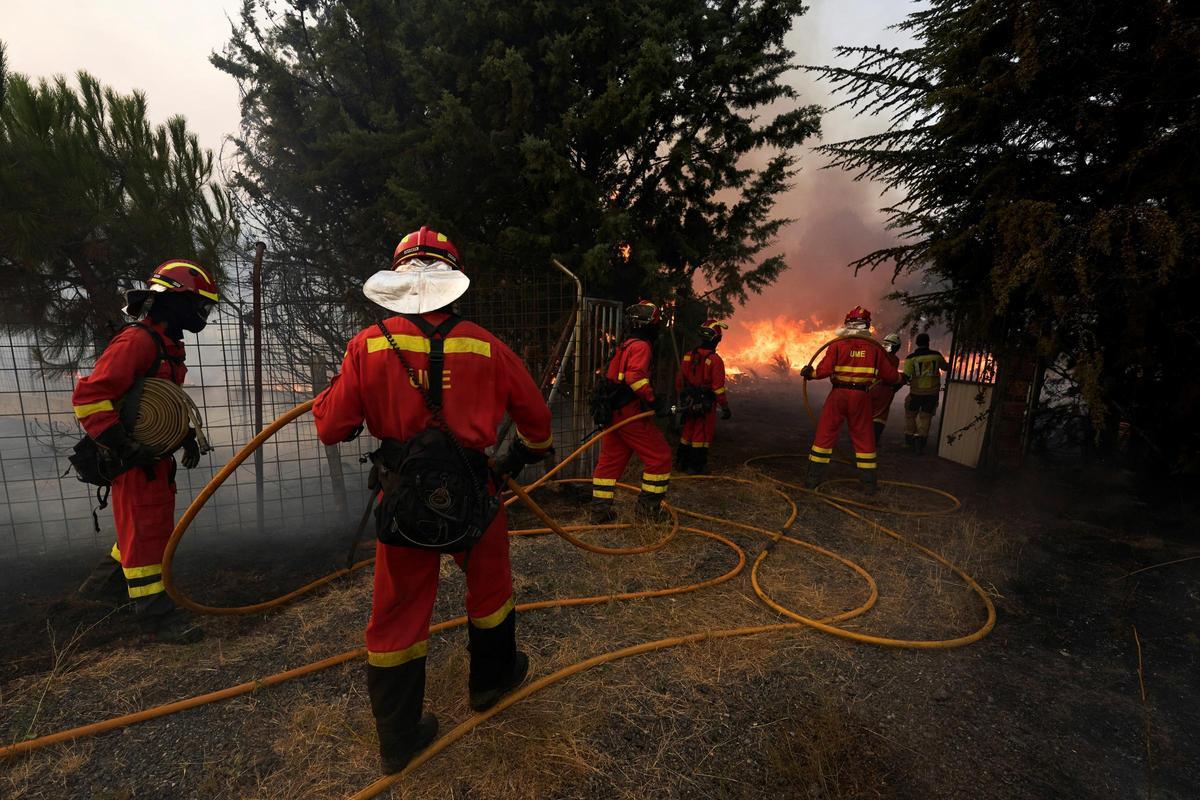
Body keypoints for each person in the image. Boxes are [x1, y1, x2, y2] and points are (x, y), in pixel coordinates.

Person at [313, 226, 553, 775]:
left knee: (396, 611)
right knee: (490, 589)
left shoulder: (367, 344)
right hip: (476, 491)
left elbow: (331, 428)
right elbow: (536, 421)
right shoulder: (486, 345)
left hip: (404, 499)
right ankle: (491, 683)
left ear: (400, 278)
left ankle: (399, 739)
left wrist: (338, 402)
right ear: (453, 280)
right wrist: (521, 456)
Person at [73, 260, 215, 644]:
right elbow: (89, 398)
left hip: (152, 457)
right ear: (175, 301)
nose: (202, 314)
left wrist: (180, 434)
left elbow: (159, 402)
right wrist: (121, 444)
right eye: (199, 304)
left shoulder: (167, 346)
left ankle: (98, 593)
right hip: (132, 461)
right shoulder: (136, 342)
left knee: (142, 530)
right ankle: (155, 617)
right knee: (147, 536)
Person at [589, 300, 674, 523]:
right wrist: (653, 401)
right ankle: (648, 513)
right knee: (660, 457)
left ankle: (599, 512)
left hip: (613, 411)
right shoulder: (642, 346)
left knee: (610, 461)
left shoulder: (626, 344)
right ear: (653, 324)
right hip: (628, 413)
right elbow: (634, 377)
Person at [800, 306, 900, 491]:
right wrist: (901, 378)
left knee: (825, 434)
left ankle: (812, 480)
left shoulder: (837, 345)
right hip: (861, 397)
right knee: (864, 437)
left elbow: (823, 371)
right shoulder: (875, 348)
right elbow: (891, 376)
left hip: (838, 395)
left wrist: (809, 373)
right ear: (867, 326)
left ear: (847, 324)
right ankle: (869, 485)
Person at [675, 319, 731, 475]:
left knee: (687, 430)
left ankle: (681, 462)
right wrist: (725, 407)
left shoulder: (688, 355)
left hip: (689, 399)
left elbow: (679, 378)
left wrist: (682, 396)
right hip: (705, 402)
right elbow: (718, 388)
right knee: (702, 433)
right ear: (717, 339)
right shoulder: (715, 360)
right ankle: (696, 466)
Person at [903, 332, 951, 454]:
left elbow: (906, 375)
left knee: (910, 413)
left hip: (915, 393)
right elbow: (946, 367)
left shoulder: (911, 358)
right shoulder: (936, 356)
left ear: (917, 343)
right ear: (928, 342)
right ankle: (921, 439)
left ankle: (909, 437)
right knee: (925, 416)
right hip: (932, 393)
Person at [869, 332, 905, 445]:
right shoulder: (895, 360)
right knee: (880, 416)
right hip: (885, 390)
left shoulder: (875, 354)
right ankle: (874, 439)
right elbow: (892, 377)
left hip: (870, 387)